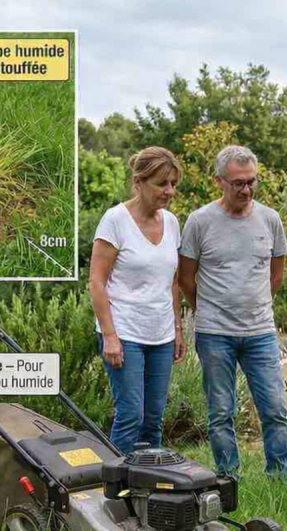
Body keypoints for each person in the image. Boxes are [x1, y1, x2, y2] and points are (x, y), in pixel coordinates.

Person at [178, 145, 287, 480]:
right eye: (237, 183)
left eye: (252, 182)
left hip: (261, 333)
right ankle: (228, 480)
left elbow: (277, 273)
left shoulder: (270, 219)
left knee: (274, 409)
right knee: (221, 412)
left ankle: (281, 478)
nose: (246, 190)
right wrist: (209, 310)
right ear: (219, 182)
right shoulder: (199, 222)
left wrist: (254, 303)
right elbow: (185, 278)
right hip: (215, 335)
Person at [88, 146, 186, 456]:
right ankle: (115, 487)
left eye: (172, 184)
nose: (169, 191)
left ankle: (148, 489)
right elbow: (96, 282)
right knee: (131, 415)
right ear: (139, 182)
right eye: (162, 184)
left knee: (153, 420)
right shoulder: (115, 220)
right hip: (125, 334)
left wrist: (178, 329)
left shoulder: (171, 222)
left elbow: (172, 281)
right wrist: (109, 335)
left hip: (161, 334)